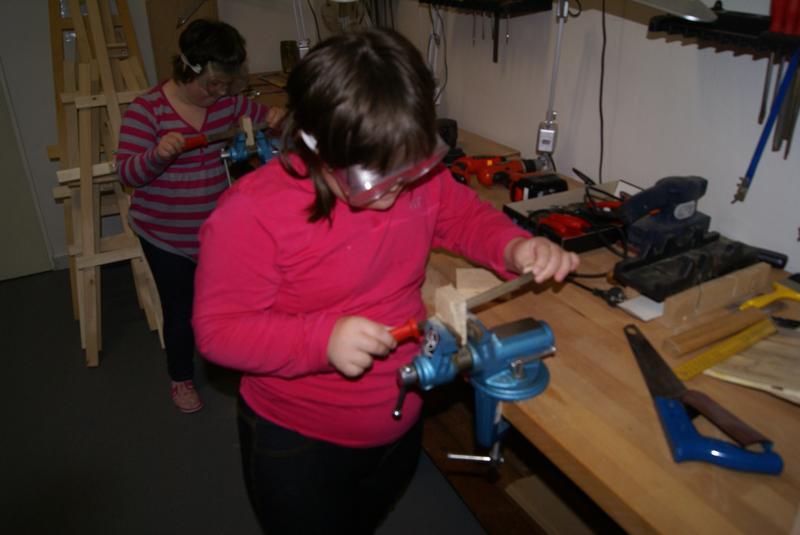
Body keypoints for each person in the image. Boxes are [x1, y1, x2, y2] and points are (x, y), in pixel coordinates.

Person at [192, 28, 579, 533]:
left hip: (399, 418)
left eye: (409, 168)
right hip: (300, 443)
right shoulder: (251, 214)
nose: (397, 190)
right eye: (375, 178)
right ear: (315, 144)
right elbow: (219, 331)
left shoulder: (414, 176)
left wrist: (514, 246)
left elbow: (463, 218)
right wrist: (321, 340)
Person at [116, 19, 284, 413]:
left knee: (233, 302)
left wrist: (276, 119)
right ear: (187, 69)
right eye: (212, 84)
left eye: (228, 84)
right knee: (181, 310)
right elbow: (126, 173)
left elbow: (266, 123)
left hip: (217, 231)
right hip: (165, 235)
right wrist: (157, 155)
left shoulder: (229, 104)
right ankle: (181, 377)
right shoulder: (147, 110)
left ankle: (241, 360)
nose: (220, 93)